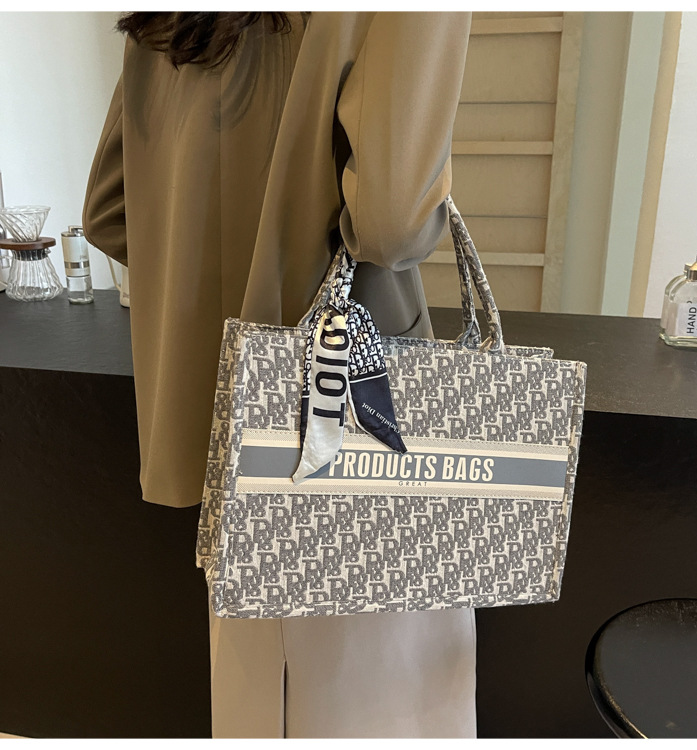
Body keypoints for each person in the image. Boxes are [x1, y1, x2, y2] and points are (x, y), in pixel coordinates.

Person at [83, 11, 475, 739]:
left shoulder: (168, 21)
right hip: (354, 407)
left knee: (256, 699)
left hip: (223, 418)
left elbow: (109, 212)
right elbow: (392, 224)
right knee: (387, 702)